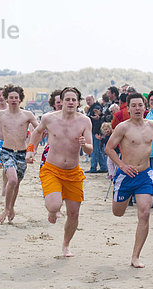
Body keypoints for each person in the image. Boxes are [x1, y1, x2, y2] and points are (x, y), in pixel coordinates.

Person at [104, 92, 153, 268]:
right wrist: (121, 165)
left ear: (145, 107)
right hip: (125, 175)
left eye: (140, 105)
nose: (137, 108)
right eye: (133, 105)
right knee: (117, 212)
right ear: (128, 107)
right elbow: (109, 148)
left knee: (145, 213)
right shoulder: (123, 127)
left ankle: (135, 257)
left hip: (145, 174)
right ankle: (123, 198)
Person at [26, 87, 93, 257]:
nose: (70, 102)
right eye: (67, 99)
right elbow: (36, 133)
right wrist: (30, 150)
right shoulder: (49, 118)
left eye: (74, 100)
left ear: (78, 102)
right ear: (61, 101)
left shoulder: (85, 121)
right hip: (52, 169)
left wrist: (84, 144)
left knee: (73, 213)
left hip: (73, 172)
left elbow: (90, 151)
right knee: (55, 205)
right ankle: (51, 209)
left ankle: (66, 244)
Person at [0, 85, 38, 223]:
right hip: (6, 151)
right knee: (12, 180)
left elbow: (39, 131)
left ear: (20, 100)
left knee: (17, 183)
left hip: (22, 153)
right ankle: (6, 209)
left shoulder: (27, 115)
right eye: (11, 97)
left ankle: (12, 207)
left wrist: (32, 149)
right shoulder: (0, 114)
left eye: (16, 97)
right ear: (6, 99)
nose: (14, 100)